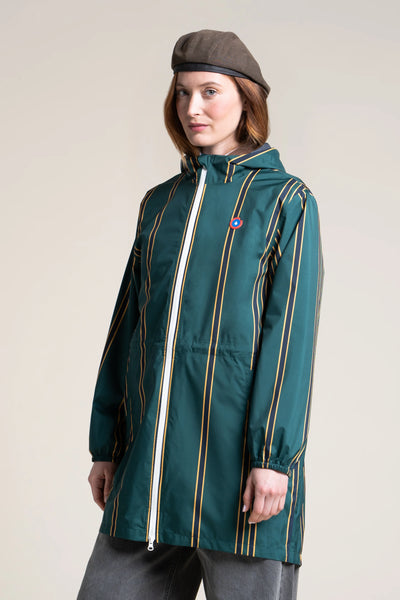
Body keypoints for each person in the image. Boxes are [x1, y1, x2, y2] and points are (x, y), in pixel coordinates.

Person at [77, 29, 324, 600]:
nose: (193, 108)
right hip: (151, 467)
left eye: (210, 91)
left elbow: (290, 338)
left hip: (239, 473)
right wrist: (106, 445)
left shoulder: (285, 201)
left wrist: (273, 459)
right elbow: (127, 328)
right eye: (184, 93)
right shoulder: (160, 203)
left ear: (246, 100)